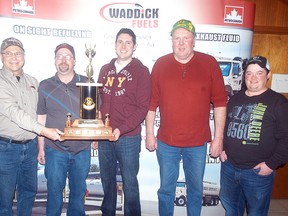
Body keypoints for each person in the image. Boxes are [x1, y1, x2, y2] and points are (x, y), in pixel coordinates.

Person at [145, 19, 227, 216]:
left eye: (186, 38)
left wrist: (218, 138)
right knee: (166, 190)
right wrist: (149, 133)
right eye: (177, 38)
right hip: (166, 143)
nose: (181, 43)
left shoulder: (209, 64)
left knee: (196, 190)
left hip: (198, 144)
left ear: (194, 41)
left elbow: (220, 103)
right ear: (171, 41)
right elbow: (151, 104)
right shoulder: (160, 64)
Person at [0, 37, 63, 216]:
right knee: (4, 199)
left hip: (30, 147)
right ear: (1, 56)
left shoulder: (33, 81)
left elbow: (40, 114)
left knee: (28, 193)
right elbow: (14, 112)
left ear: (24, 56)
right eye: (8, 53)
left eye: (18, 53)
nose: (14, 57)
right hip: (6, 148)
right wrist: (45, 131)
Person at [219, 55, 288, 216]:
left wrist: (271, 164)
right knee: (231, 209)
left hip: (257, 172)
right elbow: (226, 127)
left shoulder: (278, 102)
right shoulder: (235, 99)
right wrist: (223, 148)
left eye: (259, 73)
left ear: (268, 75)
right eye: (249, 73)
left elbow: (286, 138)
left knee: (256, 212)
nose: (253, 77)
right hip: (230, 167)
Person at [97, 28, 151, 216]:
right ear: (114, 45)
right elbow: (98, 102)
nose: (123, 46)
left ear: (134, 46)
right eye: (120, 41)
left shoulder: (142, 72)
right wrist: (96, 128)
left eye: (128, 42)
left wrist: (121, 129)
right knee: (107, 180)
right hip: (104, 137)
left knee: (129, 183)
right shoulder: (105, 69)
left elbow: (143, 108)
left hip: (128, 137)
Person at [37, 43, 92, 216]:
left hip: (82, 150)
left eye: (68, 56)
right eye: (59, 56)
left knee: (78, 194)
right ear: (54, 61)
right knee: (54, 194)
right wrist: (40, 148)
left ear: (74, 61)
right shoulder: (44, 85)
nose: (63, 60)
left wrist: (96, 137)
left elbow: (94, 114)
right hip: (54, 150)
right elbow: (41, 119)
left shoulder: (88, 83)